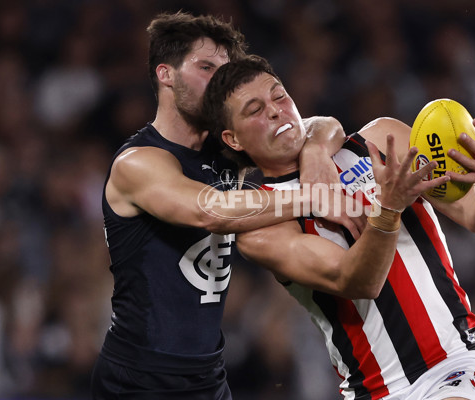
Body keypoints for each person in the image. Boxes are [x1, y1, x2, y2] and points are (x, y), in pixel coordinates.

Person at [201, 55, 475, 400]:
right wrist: (389, 209)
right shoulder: (262, 227)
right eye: (254, 110)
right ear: (233, 140)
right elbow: (358, 281)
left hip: (456, 364)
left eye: (279, 97)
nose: (276, 111)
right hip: (373, 391)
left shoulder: (381, 139)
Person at [91, 12, 365, 400]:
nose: (219, 80)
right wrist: (314, 197)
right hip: (141, 377)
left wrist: (318, 150)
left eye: (225, 69)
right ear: (166, 74)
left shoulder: (226, 148)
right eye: (206, 67)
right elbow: (211, 211)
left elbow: (320, 124)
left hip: (208, 374)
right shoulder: (138, 162)